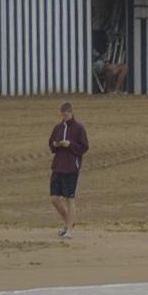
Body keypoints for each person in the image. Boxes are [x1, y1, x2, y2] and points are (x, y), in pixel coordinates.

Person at [48, 101, 90, 239]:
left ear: (71, 113)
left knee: (69, 199)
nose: (64, 117)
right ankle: (68, 222)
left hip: (71, 167)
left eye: (66, 114)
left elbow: (84, 147)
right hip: (58, 166)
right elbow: (51, 145)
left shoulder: (79, 128)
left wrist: (70, 144)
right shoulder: (58, 127)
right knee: (54, 198)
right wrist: (56, 144)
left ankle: (69, 230)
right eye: (62, 114)